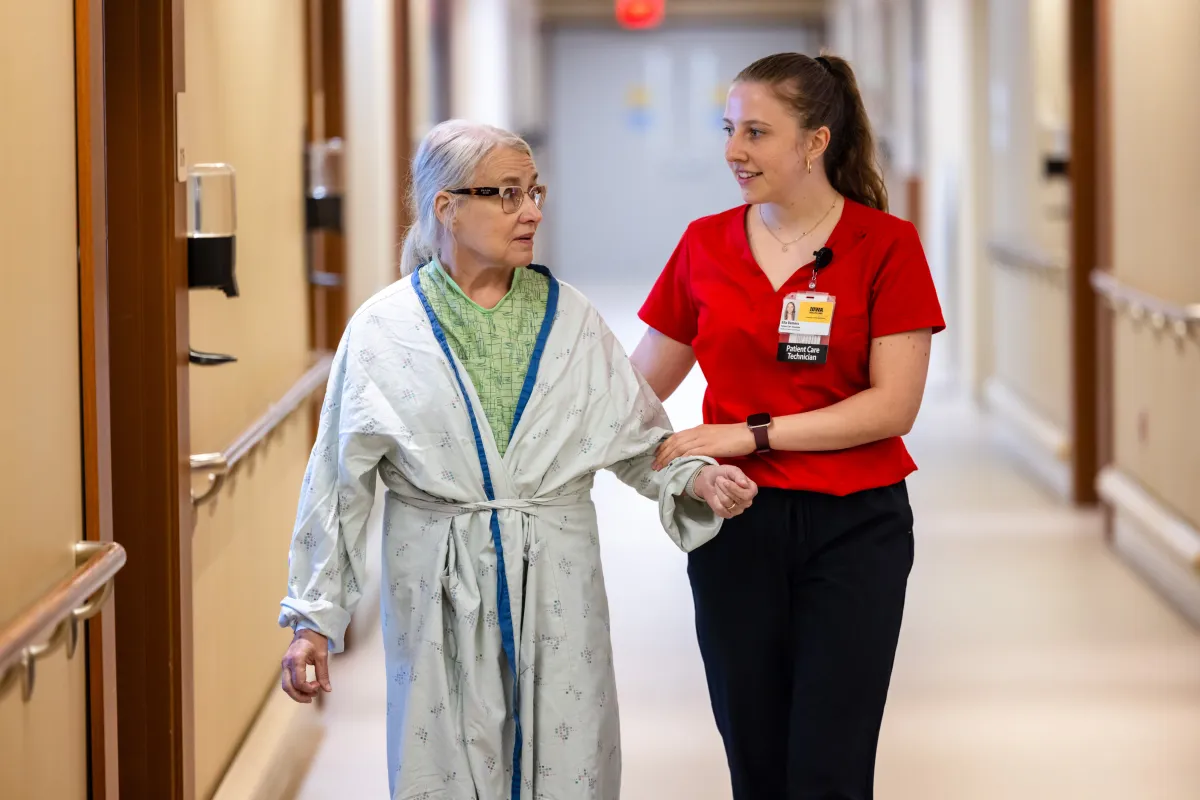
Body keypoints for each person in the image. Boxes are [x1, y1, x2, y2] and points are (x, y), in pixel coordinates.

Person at [277, 119, 758, 800]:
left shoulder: (571, 319)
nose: (531, 211)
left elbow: (635, 434)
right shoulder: (385, 330)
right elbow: (336, 482)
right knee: (444, 765)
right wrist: (313, 618)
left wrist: (696, 476)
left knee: (570, 759)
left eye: (534, 192)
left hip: (558, 574)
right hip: (437, 578)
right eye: (507, 194)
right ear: (447, 207)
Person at [632, 53, 945, 799]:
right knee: (757, 763)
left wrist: (752, 434)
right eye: (729, 130)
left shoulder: (886, 245)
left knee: (829, 768)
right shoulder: (705, 244)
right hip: (734, 525)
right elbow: (634, 390)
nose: (734, 151)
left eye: (757, 132)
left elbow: (893, 406)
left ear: (815, 142)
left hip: (854, 526)